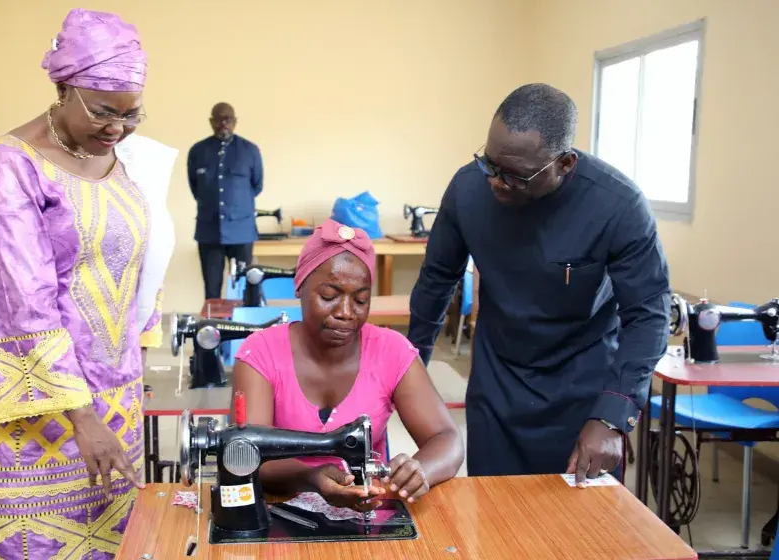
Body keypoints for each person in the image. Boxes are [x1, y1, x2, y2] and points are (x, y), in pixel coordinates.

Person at [0, 9, 177, 558]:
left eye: (133, 115)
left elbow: (134, 263)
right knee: (40, 545)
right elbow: (21, 303)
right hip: (41, 416)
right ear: (62, 88)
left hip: (117, 398)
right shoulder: (13, 166)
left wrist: (137, 356)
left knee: (117, 540)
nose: (118, 128)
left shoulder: (124, 159)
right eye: (104, 111)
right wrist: (81, 416)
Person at [407, 83, 671, 485]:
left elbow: (648, 315)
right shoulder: (467, 189)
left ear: (564, 163)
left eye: (514, 175)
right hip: (498, 382)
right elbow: (436, 282)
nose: (496, 181)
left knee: (578, 533)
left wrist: (612, 413)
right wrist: (411, 367)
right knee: (496, 519)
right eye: (490, 165)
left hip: (583, 386)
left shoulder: (618, 207)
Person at [233, 219, 464, 510]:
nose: (345, 313)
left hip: (369, 512)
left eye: (361, 300)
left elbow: (447, 439)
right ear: (300, 286)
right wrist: (309, 477)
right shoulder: (261, 353)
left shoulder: (390, 351)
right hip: (279, 512)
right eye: (329, 296)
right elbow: (247, 453)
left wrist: (420, 471)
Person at [187, 102, 264, 300]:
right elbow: (196, 188)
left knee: (245, 289)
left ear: (235, 122)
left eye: (228, 119)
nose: (223, 124)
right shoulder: (197, 151)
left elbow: (257, 186)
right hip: (209, 232)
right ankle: (213, 328)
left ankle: (247, 330)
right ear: (211, 122)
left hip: (242, 231)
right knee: (212, 291)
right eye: (218, 119)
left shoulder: (250, 151)